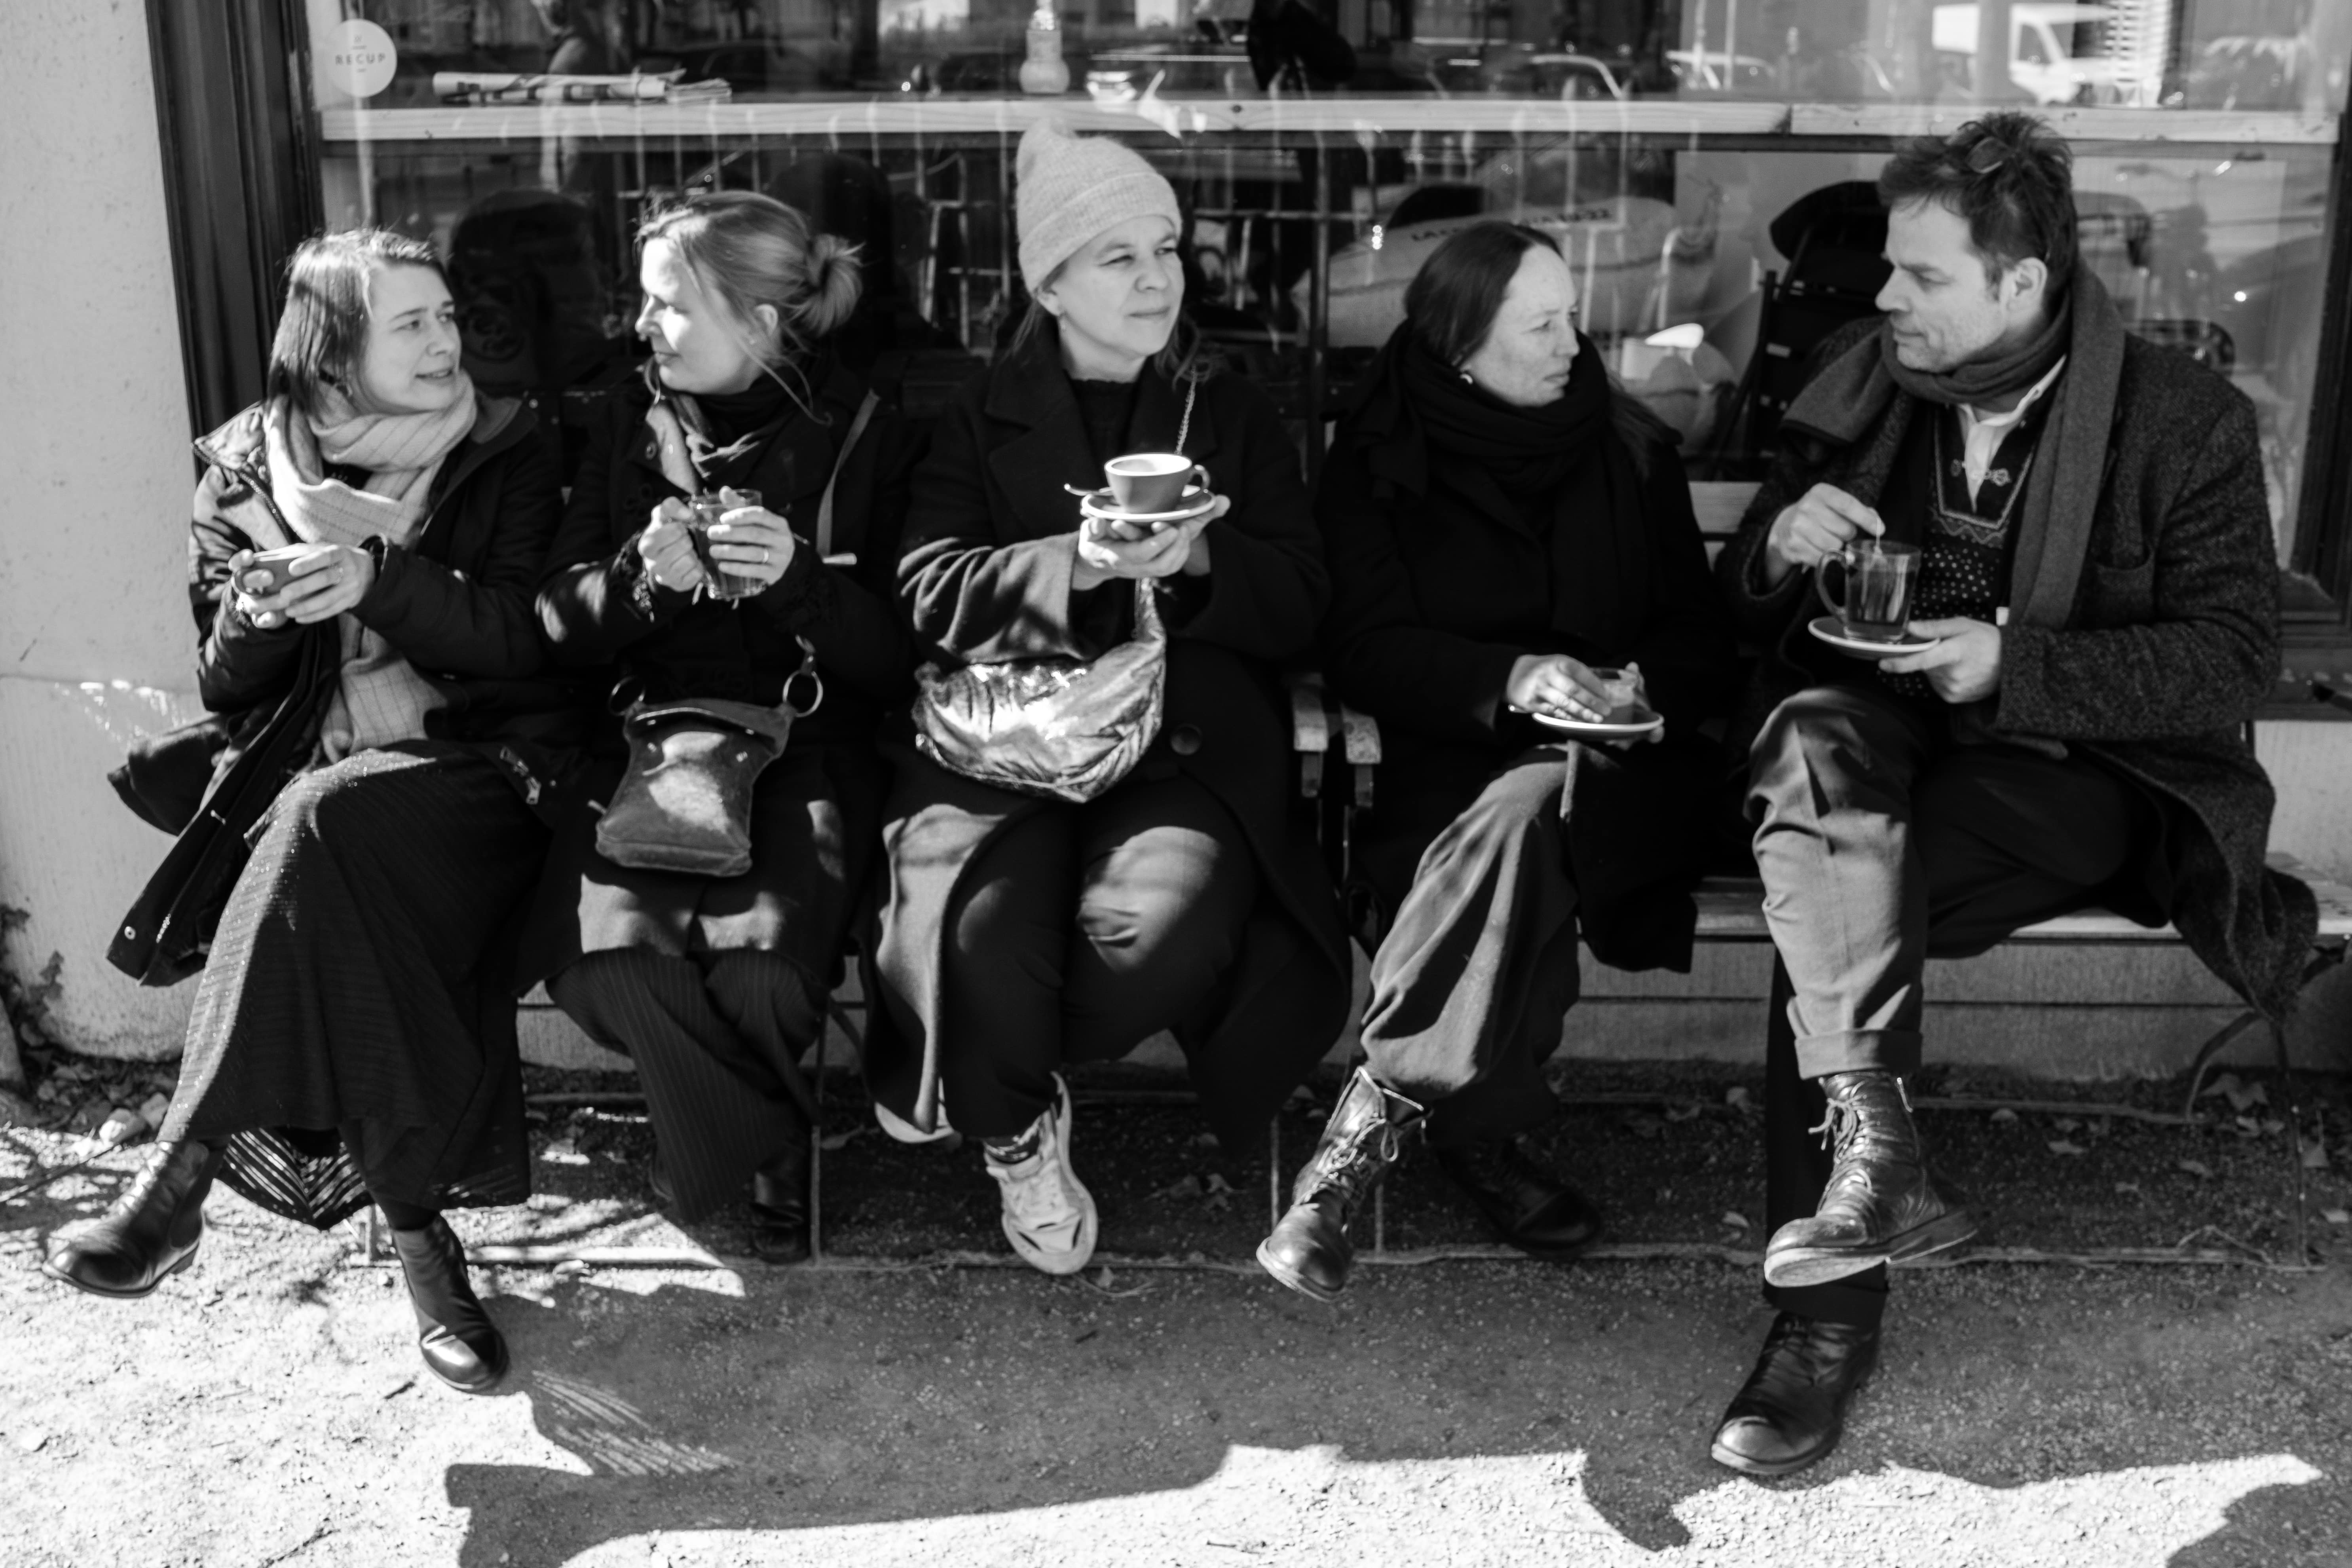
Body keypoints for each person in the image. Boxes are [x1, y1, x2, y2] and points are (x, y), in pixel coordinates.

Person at [1706, 112, 2316, 1476]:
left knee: (1836, 900)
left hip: (2081, 779)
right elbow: (1740, 603)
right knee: (1823, 804)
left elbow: (2232, 656)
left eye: (1923, 276)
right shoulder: (1859, 382)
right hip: (1873, 744)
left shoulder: (2182, 418)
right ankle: (1859, 1221)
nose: (1885, 296)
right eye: (1890, 267)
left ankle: (1833, 1296)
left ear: (2021, 282)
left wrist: (2015, 666)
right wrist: (1779, 548)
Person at [43, 229, 569, 1394]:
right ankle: (425, 1254)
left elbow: (528, 640)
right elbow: (222, 684)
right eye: (412, 324)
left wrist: (381, 581)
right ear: (333, 355)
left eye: (447, 315)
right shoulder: (243, 472)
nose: (447, 341)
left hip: (484, 775)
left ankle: (178, 1178)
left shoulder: (508, 446)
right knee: (328, 866)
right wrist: (260, 616)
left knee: (322, 828)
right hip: (314, 786)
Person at [869, 120, 1350, 1276]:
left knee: (1156, 943)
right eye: (1119, 257)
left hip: (1181, 742)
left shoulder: (1228, 410)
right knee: (985, 935)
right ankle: (1015, 1130)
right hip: (1010, 743)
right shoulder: (977, 413)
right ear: (1050, 284)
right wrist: (1077, 565)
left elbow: (1305, 600)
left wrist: (1197, 560)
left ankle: (989, 1077)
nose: (1157, 279)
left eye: (1167, 249)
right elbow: (928, 592)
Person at [1254, 222, 1739, 1301]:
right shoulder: (1380, 458)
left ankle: (1362, 1135)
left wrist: (1636, 686)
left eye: (1572, 316)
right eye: (1542, 325)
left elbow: (1700, 636)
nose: (1575, 343)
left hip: (1622, 765)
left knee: (1532, 815)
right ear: (1462, 347)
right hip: (1448, 754)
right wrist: (1511, 678)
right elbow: (1361, 644)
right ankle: (1476, 1130)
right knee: (1516, 843)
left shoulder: (1630, 447)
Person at [521, 192, 921, 1263]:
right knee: (604, 967)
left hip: (810, 747)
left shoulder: (866, 433)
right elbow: (556, 619)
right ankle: (764, 1134)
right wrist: (637, 583)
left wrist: (798, 582)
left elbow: (899, 656)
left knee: (765, 971)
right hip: (647, 746)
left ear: (760, 322)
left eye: (669, 305)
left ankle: (726, 1146)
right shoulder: (625, 422)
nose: (641, 325)